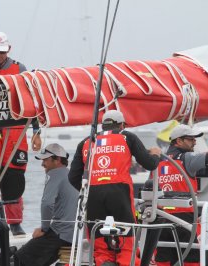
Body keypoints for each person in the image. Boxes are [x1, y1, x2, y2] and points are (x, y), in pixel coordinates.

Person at [68, 110, 161, 266]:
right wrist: (156, 155)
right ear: (122, 124)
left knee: (100, 245)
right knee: (126, 240)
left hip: (93, 194)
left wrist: (90, 191)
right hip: (119, 192)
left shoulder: (85, 142)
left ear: (103, 125)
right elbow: (150, 164)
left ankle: (103, 261)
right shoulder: (127, 136)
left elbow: (72, 177)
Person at [0, 31, 42, 235]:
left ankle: (15, 223)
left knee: (14, 178)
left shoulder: (19, 69)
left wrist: (36, 131)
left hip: (15, 131)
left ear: (8, 50)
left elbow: (31, 100)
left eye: (2, 52)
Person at [154, 124, 208, 266]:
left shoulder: (158, 161)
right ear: (178, 141)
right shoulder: (187, 158)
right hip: (185, 218)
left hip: (161, 218)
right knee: (191, 259)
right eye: (191, 139)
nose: (195, 142)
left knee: (164, 259)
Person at [15, 143, 78, 266]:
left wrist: (44, 228)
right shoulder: (71, 175)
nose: (42, 164)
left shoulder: (55, 174)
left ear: (58, 160)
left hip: (61, 234)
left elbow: (47, 204)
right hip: (74, 234)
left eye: (46, 160)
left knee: (19, 258)